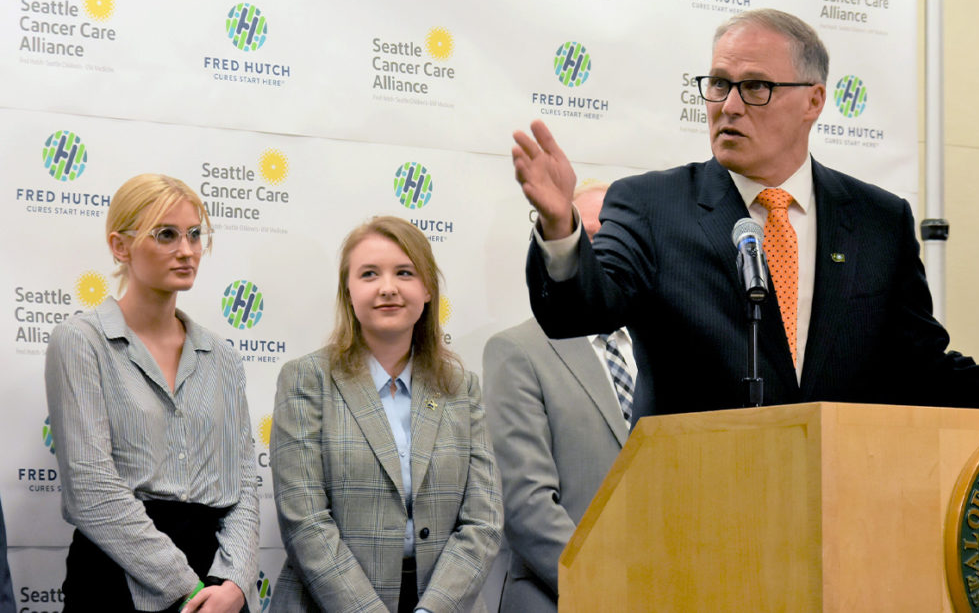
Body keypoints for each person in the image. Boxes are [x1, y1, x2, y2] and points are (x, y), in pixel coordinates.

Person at [512, 8, 979, 416]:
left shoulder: (878, 220)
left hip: (838, 510)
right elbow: (579, 312)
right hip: (692, 509)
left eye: (756, 87)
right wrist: (561, 229)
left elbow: (921, 369)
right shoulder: (652, 205)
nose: (729, 105)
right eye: (718, 84)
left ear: (814, 101)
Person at [44, 174, 259, 613]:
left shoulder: (223, 358)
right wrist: (189, 586)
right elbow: (90, 489)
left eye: (195, 234)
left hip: (216, 582)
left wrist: (234, 582)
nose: (187, 250)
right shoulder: (81, 341)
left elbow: (244, 485)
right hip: (114, 578)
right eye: (166, 234)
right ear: (120, 247)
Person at [270, 216, 503, 613]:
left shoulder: (460, 385)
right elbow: (305, 520)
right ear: (348, 289)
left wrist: (433, 609)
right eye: (369, 274)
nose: (388, 288)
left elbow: (483, 520)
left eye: (405, 272)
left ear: (427, 288)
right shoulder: (307, 380)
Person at [483, 183, 635, 613]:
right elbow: (527, 507)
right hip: (561, 598)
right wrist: (604, 591)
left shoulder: (664, 347)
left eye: (616, 238)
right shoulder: (517, 352)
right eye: (586, 237)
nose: (600, 251)